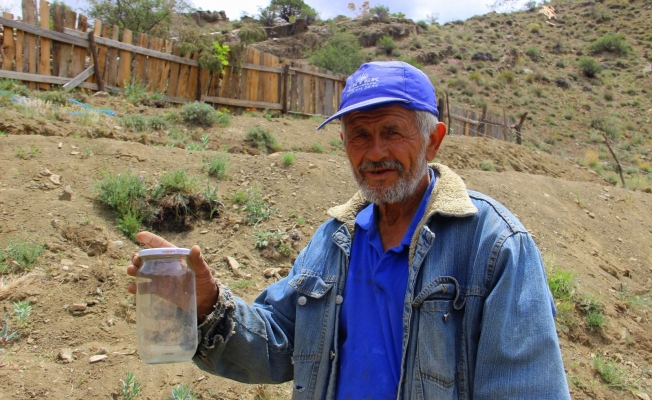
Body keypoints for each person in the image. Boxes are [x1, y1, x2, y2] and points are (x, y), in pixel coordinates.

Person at [128, 61, 570, 399]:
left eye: (392, 132)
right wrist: (208, 304)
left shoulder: (494, 247)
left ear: (433, 139)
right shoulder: (332, 242)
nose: (375, 152)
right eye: (359, 135)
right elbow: (278, 344)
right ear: (343, 144)